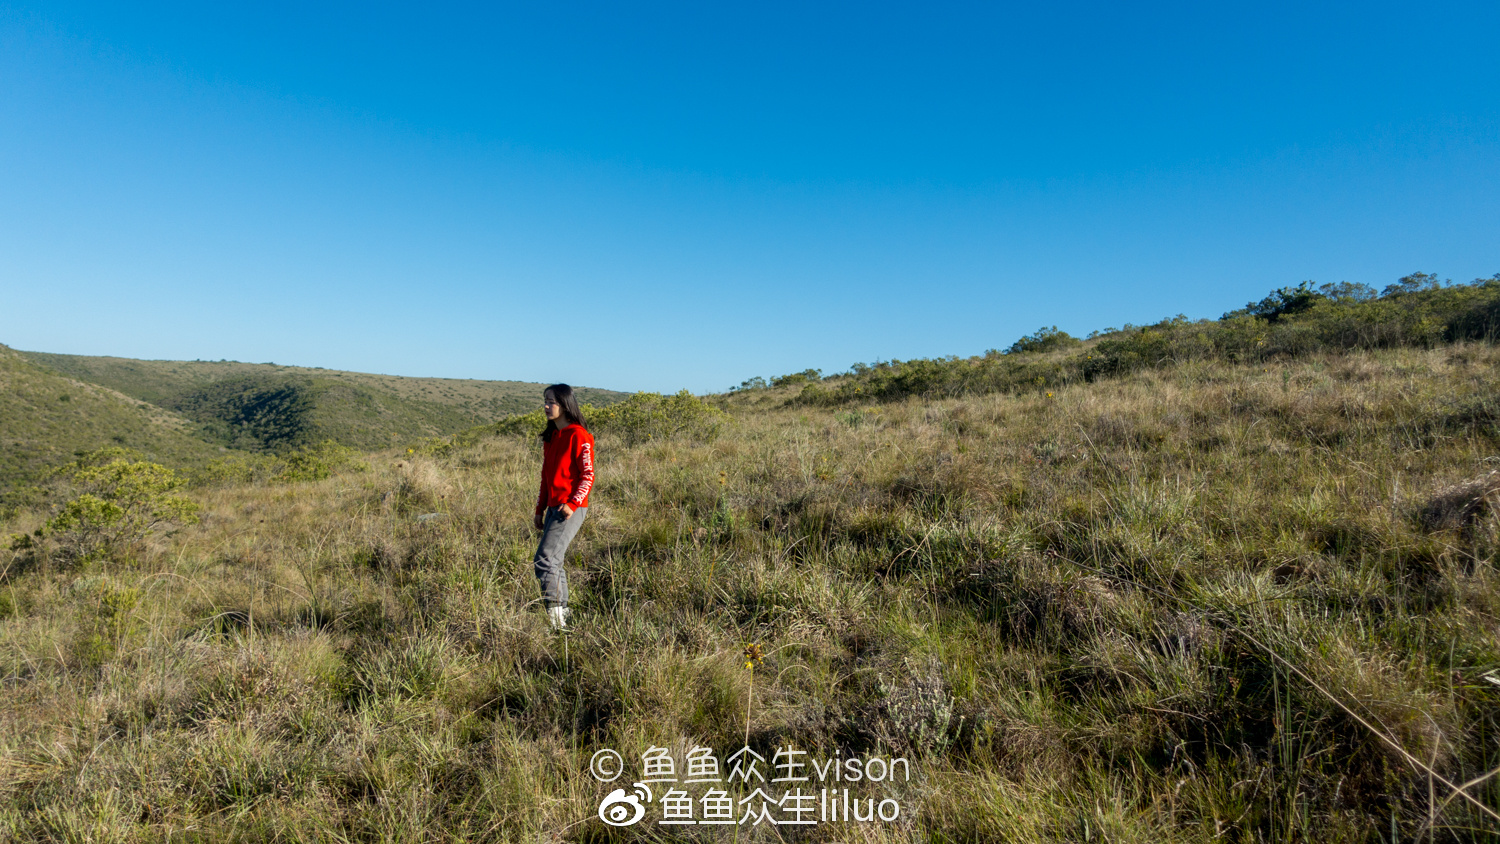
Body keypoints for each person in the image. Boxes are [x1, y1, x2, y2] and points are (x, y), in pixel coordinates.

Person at [533, 384, 594, 632]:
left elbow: (587, 475)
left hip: (570, 508)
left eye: (552, 402)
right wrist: (539, 509)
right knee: (553, 562)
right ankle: (564, 621)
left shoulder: (579, 435)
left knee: (545, 561)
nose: (547, 406)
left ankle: (558, 625)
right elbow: (546, 477)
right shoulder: (552, 437)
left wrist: (572, 504)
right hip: (553, 507)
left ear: (565, 404)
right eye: (545, 401)